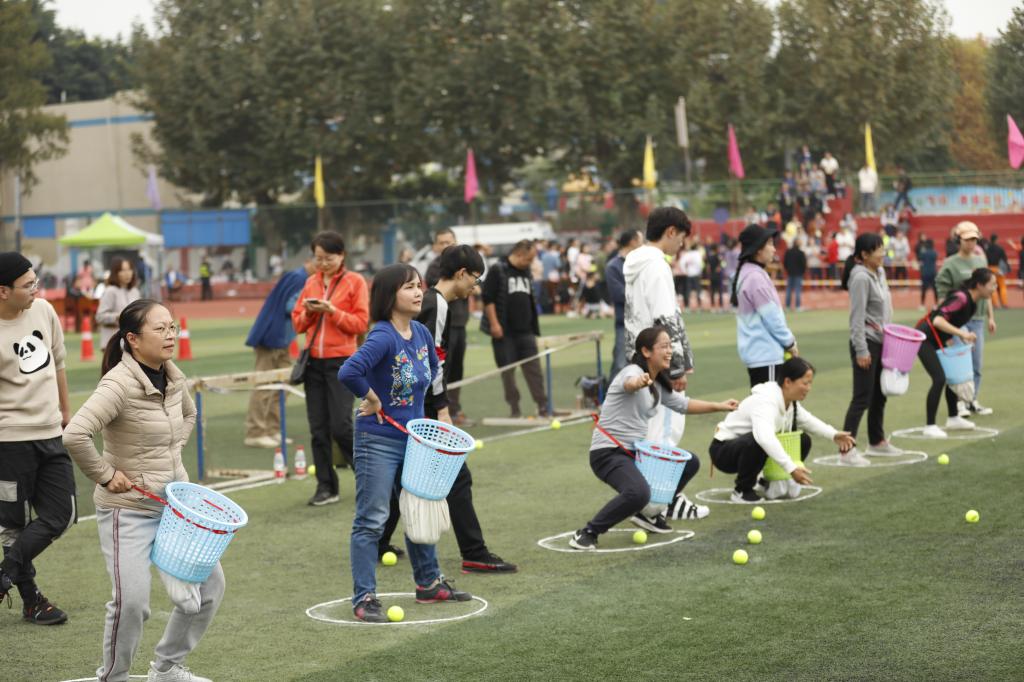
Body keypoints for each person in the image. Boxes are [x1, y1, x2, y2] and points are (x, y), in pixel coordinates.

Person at [63, 299, 219, 682]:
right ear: (132, 339)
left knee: (210, 589)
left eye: (172, 327)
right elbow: (75, 434)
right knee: (131, 603)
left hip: (175, 508)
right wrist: (105, 475)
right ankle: (113, 676)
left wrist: (171, 451)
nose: (170, 335)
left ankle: (167, 668)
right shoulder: (117, 384)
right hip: (128, 510)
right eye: (160, 329)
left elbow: (189, 414)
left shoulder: (173, 376)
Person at [338, 264, 473, 623]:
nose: (418, 293)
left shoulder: (422, 333)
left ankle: (428, 583)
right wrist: (372, 398)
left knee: (418, 509)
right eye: (409, 287)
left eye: (419, 286)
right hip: (378, 440)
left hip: (414, 440)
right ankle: (364, 597)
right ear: (389, 295)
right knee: (372, 520)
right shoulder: (382, 336)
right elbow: (349, 371)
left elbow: (433, 373)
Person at [377, 246, 516, 573]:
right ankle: (474, 553)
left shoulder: (431, 303)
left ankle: (377, 541)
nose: (475, 288)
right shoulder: (436, 304)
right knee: (456, 476)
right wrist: (441, 408)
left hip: (410, 405)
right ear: (461, 273)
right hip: (422, 407)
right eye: (475, 279)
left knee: (404, 476)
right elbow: (432, 363)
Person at [569, 327, 738, 549]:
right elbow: (629, 383)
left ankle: (648, 515)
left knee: (689, 463)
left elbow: (683, 404)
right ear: (646, 351)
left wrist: (720, 406)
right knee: (638, 493)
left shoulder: (657, 383)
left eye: (670, 346)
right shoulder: (632, 372)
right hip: (608, 452)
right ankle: (588, 532)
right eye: (664, 346)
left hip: (634, 453)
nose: (669, 351)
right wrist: (638, 382)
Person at [0, 253, 74, 625]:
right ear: (3, 291)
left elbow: (58, 363)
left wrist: (66, 412)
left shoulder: (44, 311)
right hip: (9, 440)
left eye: (36, 281)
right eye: (28, 284)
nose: (36, 289)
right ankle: (32, 602)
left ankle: (3, 574)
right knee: (12, 524)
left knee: (63, 514)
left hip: (50, 432)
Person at [292, 231, 370, 506]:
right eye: (318, 258)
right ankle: (326, 486)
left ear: (342, 255)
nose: (323, 264)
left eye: (329, 258)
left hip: (343, 362)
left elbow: (360, 323)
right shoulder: (311, 282)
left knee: (341, 425)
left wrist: (332, 311)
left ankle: (369, 477)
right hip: (313, 362)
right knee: (318, 428)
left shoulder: (355, 281)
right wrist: (310, 312)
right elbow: (297, 323)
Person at [709, 357, 856, 502]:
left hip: (747, 448)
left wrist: (833, 434)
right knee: (758, 440)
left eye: (810, 383)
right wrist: (791, 468)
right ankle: (742, 491)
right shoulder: (766, 402)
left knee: (803, 440)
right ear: (787, 382)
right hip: (724, 452)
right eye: (805, 383)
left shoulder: (790, 401)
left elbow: (807, 420)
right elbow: (764, 438)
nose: (808, 388)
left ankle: (764, 482)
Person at [914, 268, 996, 438]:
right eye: (992, 284)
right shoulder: (961, 298)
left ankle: (953, 418)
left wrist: (959, 340)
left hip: (938, 340)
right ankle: (930, 425)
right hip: (925, 339)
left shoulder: (973, 304)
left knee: (953, 376)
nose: (994, 288)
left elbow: (951, 323)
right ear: (979, 285)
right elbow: (937, 320)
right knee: (939, 378)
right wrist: (962, 334)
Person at [243, 259, 314, 448]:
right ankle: (255, 432)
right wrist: (313, 306)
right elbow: (290, 306)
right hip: (271, 337)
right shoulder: (299, 278)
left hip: (282, 339)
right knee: (264, 384)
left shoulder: (299, 277)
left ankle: (272, 429)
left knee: (283, 384)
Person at [840, 233, 896, 466]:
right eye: (878, 250)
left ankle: (876, 441)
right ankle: (846, 451)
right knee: (862, 397)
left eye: (883, 248)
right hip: (866, 343)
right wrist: (861, 350)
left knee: (879, 394)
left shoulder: (879, 273)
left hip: (882, 341)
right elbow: (857, 318)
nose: (883, 253)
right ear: (864, 255)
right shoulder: (861, 278)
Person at [481, 239, 548, 418]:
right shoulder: (498, 269)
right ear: (519, 254)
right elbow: (488, 298)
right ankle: (514, 408)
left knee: (534, 371)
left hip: (526, 331)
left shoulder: (525, 271)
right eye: (529, 259)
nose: (530, 263)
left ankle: (543, 406)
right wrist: (494, 324)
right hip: (505, 333)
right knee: (508, 373)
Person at [936, 221, 996, 416]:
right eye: (967, 239)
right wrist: (945, 324)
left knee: (976, 364)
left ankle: (972, 400)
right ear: (958, 240)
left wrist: (991, 317)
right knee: (960, 364)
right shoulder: (950, 264)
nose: (971, 243)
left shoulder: (980, 261)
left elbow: (987, 292)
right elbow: (942, 295)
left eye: (974, 239)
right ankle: (959, 404)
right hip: (957, 321)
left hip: (977, 319)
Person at [731, 224, 798, 387]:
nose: (774, 249)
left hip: (760, 355)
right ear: (758, 250)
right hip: (766, 355)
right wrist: (790, 343)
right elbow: (772, 318)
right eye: (769, 244)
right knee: (770, 402)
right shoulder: (755, 277)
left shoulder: (749, 273)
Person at [424, 229, 471, 426]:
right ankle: (442, 409)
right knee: (441, 366)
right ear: (435, 246)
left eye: (449, 242)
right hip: (442, 326)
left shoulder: (465, 266)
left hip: (460, 325)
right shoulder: (436, 269)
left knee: (457, 368)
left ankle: (454, 407)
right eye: (441, 242)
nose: (445, 246)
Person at [605, 229, 642, 380]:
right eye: (640, 240)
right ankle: (611, 395)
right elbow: (619, 294)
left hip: (644, 322)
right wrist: (642, 294)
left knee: (643, 366)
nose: (643, 244)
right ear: (632, 241)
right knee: (621, 365)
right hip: (624, 322)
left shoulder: (641, 263)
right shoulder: (613, 266)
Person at [95, 257, 142, 354]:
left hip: (132, 343)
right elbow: (99, 317)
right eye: (123, 270)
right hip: (113, 343)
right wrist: (118, 316)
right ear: (116, 273)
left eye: (129, 269)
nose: (127, 273)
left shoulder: (135, 291)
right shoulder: (110, 291)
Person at [985, 234, 1009, 309]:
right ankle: (1004, 303)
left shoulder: (987, 249)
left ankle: (995, 304)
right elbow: (1004, 259)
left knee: (992, 286)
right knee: (1002, 286)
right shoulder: (1000, 248)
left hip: (990, 268)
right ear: (996, 240)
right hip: (999, 268)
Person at [783, 239, 806, 311]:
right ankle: (798, 306)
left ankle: (787, 306)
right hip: (798, 274)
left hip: (790, 273)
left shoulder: (788, 252)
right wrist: (802, 271)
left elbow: (785, 262)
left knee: (789, 289)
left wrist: (788, 270)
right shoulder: (801, 253)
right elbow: (803, 264)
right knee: (797, 290)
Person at [917, 238, 938, 310]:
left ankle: (922, 304)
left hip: (925, 273)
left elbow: (919, 259)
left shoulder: (923, 252)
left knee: (924, 289)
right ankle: (936, 304)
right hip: (933, 272)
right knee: (935, 289)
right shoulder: (934, 252)